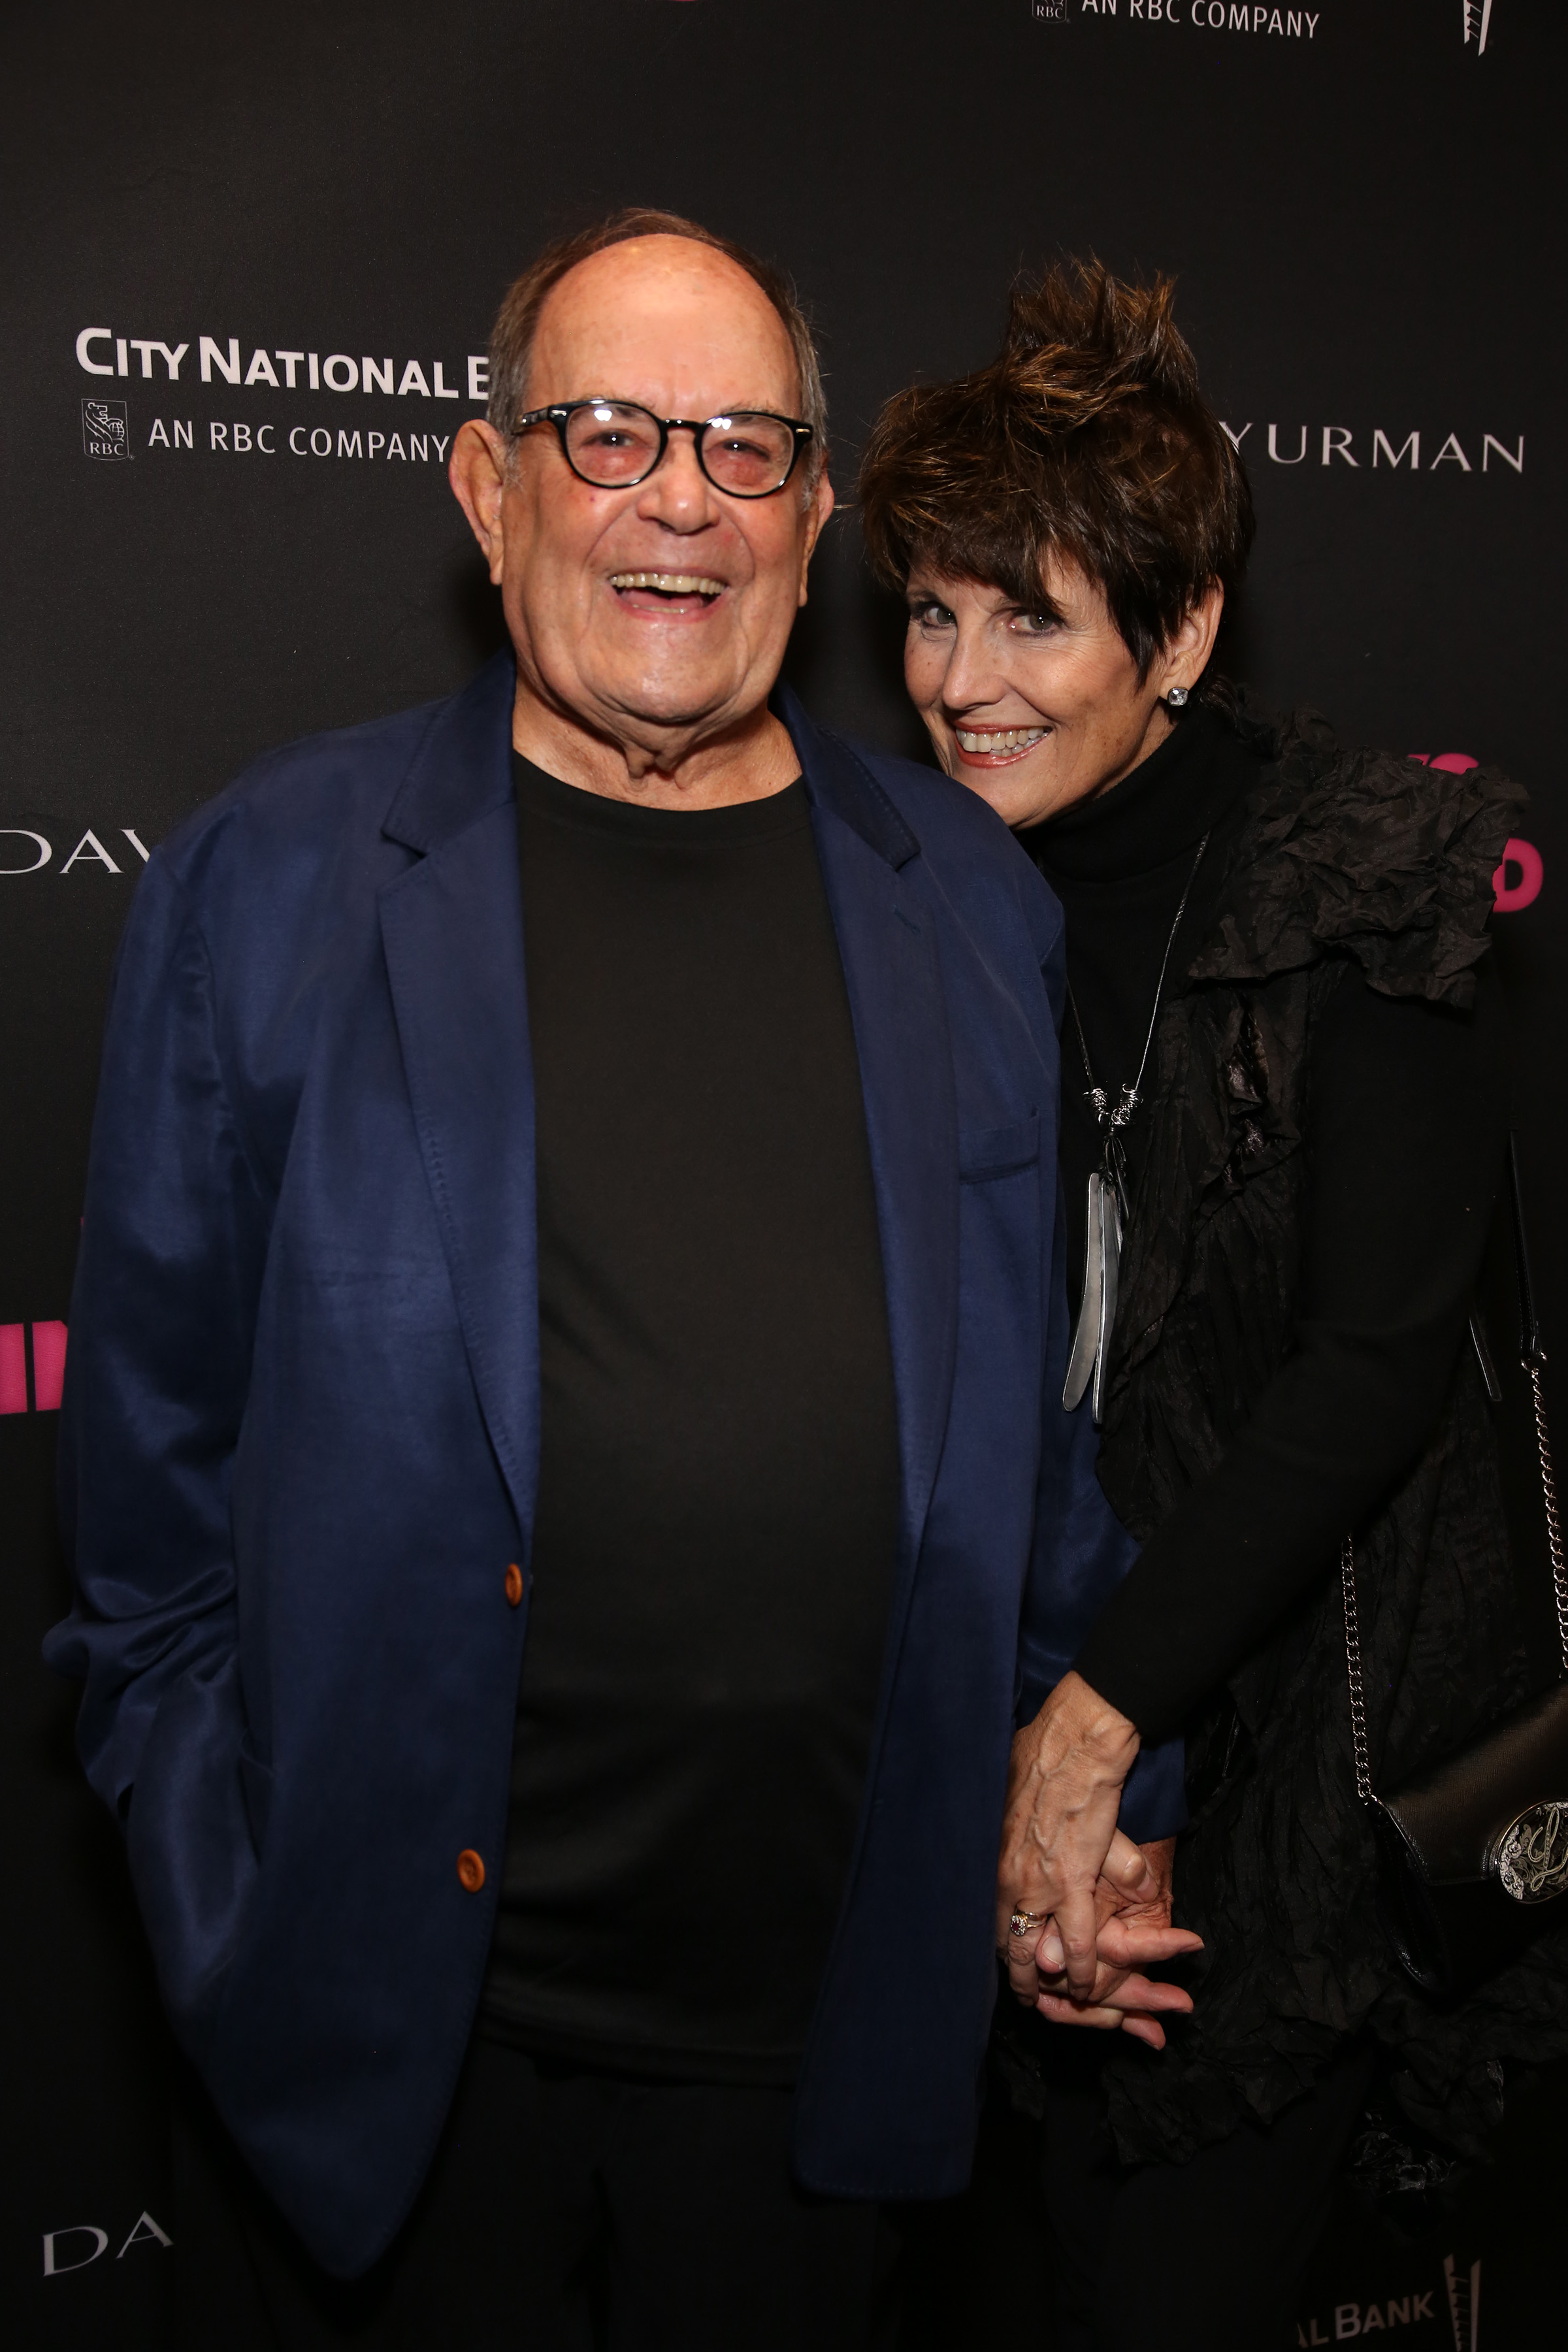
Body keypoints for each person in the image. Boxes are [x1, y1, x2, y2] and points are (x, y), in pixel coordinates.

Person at [44, 214, 1189, 2351]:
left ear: (816, 514)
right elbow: (149, 1524)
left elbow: (1034, 1456)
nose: (682, 495)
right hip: (396, 2063)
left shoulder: (966, 900)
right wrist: (231, 1902)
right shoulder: (268, 884)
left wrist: (1097, 1804)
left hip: (827, 2061)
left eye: (749, 445)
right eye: (609, 431)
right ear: (489, 492)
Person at [858, 261, 1568, 2351]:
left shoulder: (1358, 876)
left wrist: (1102, 1739)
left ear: (1178, 634)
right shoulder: (912, 888)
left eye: (1032, 615)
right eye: (927, 607)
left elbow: (1368, 1375)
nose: (961, 678)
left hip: (1278, 1747)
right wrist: (1032, 1765)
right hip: (990, 1718)